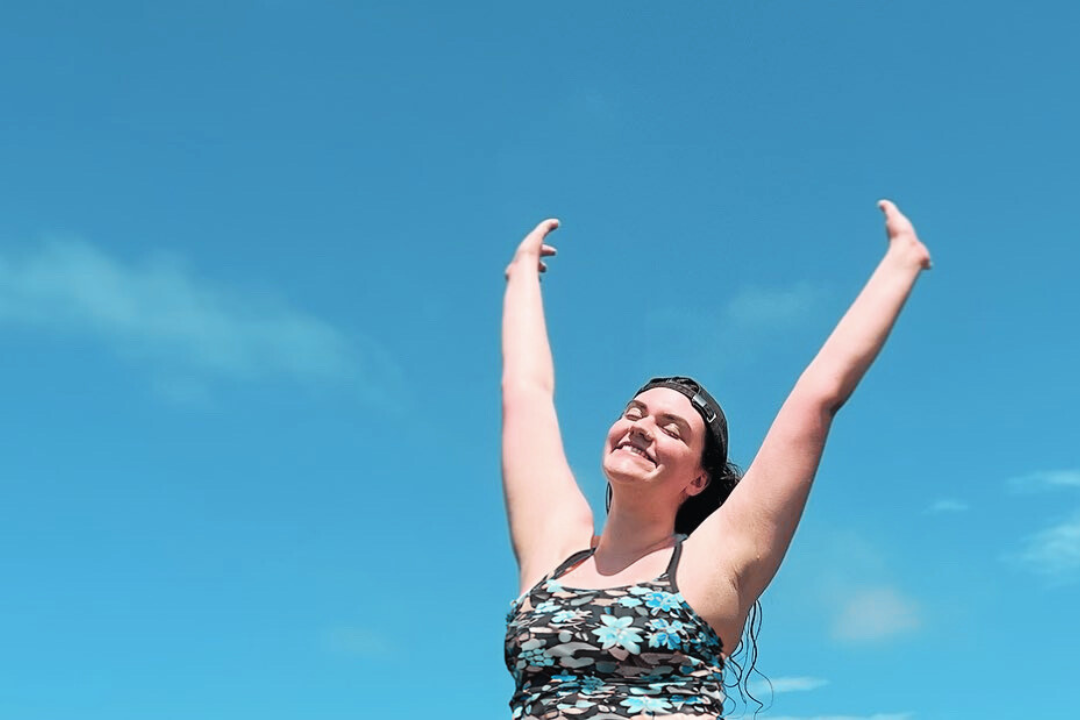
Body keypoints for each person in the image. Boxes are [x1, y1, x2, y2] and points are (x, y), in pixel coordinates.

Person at [501, 201, 931, 719]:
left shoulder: (713, 562)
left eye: (670, 427)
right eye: (634, 412)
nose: (640, 425)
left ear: (698, 479)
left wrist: (900, 262)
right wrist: (521, 275)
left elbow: (817, 399)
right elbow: (525, 396)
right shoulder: (556, 548)